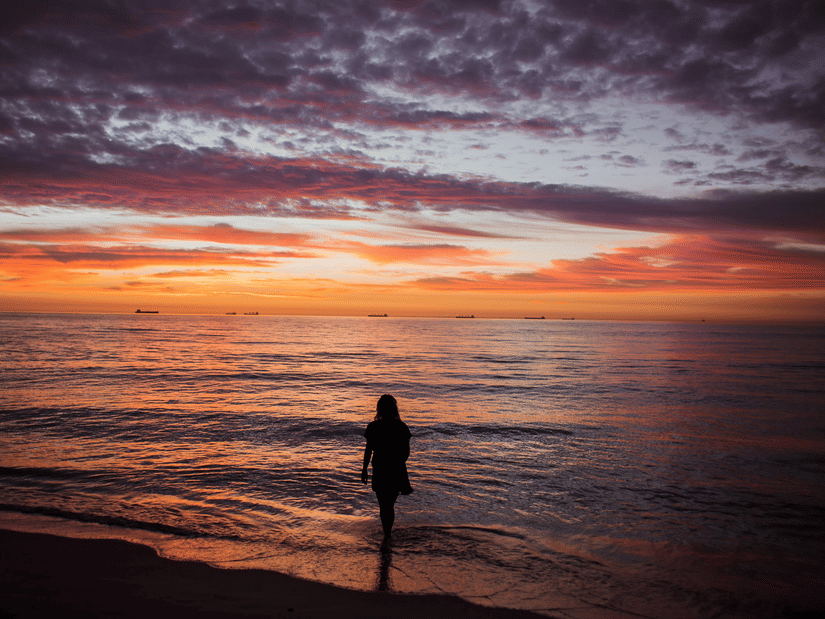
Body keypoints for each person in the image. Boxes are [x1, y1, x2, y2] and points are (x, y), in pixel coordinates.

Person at [361, 394, 412, 550]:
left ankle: (387, 534)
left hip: (380, 468)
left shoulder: (373, 427)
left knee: (384, 504)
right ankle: (388, 534)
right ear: (394, 408)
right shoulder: (402, 427)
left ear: (379, 408)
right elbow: (406, 453)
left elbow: (368, 451)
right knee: (389, 503)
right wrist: (397, 462)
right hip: (396, 469)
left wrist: (364, 470)